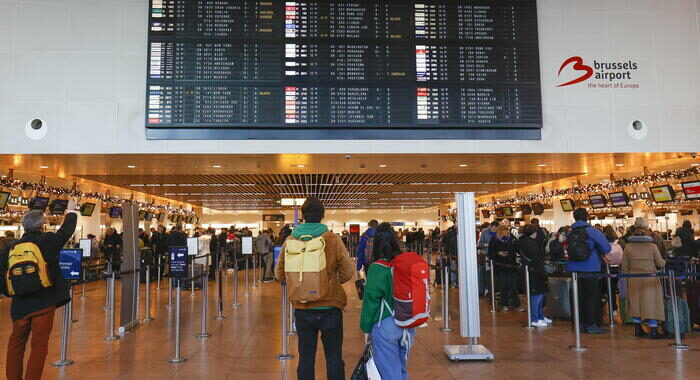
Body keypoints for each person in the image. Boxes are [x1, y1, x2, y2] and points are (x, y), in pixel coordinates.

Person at [275, 197, 354, 380]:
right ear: (322, 215)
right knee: (334, 357)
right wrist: (329, 282)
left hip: (302, 308)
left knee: (306, 358)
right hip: (330, 307)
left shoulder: (291, 239)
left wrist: (300, 282)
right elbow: (348, 271)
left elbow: (279, 273)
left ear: (302, 216)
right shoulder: (332, 239)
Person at [0, 210, 77, 380]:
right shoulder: (47, 241)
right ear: (42, 225)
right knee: (39, 346)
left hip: (20, 306)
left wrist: (11, 293)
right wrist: (71, 211)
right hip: (43, 302)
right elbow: (66, 230)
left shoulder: (10, 247)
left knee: (15, 344)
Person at [360, 223, 416, 380]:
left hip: (386, 324)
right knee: (401, 368)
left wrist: (365, 328)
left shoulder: (377, 268)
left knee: (389, 372)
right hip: (408, 323)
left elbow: (371, 302)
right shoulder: (404, 264)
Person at [566, 208, 611, 334]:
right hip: (590, 268)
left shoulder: (570, 232)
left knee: (577, 297)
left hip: (573, 269)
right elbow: (606, 248)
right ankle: (591, 325)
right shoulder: (593, 231)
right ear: (587, 217)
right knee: (591, 298)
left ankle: (578, 324)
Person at [622, 227, 666, 339]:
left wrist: (628, 277)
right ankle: (653, 329)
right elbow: (660, 263)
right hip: (649, 277)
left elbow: (624, 266)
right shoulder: (652, 247)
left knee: (635, 303)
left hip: (633, 277)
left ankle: (638, 329)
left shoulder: (628, 247)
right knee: (651, 303)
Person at [518, 224, 551, 327]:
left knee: (538, 295)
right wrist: (542, 271)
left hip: (530, 270)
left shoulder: (521, 241)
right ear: (533, 233)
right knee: (537, 296)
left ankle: (539, 316)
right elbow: (536, 259)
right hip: (534, 272)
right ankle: (535, 318)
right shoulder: (531, 244)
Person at [488, 225, 523, 311]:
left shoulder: (512, 239)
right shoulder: (495, 240)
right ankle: (504, 303)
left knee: (513, 286)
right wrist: (498, 253)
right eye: (504, 230)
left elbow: (518, 249)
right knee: (503, 286)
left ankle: (516, 304)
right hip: (500, 266)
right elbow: (490, 252)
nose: (506, 232)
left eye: (507, 230)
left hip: (512, 266)